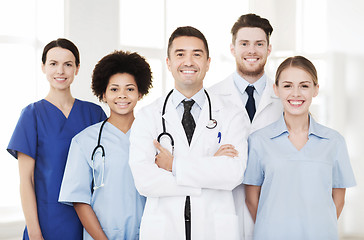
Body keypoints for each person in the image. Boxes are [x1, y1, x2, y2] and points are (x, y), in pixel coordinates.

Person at [129, 26, 248, 240]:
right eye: (180, 54)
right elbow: (144, 180)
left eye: (197, 54)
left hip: (215, 228)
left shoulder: (231, 114)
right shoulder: (148, 116)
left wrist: (174, 165)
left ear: (208, 63)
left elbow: (233, 173)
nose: (189, 62)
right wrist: (210, 168)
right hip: (164, 229)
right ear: (168, 62)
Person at [243, 56, 356, 240]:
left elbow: (339, 199)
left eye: (304, 86)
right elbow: (251, 199)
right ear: (276, 89)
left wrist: (317, 228)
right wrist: (273, 227)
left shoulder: (334, 141)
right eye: (287, 86)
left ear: (315, 90)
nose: (296, 93)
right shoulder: (258, 141)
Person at [7, 38, 106, 240]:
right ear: (43, 67)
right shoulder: (31, 115)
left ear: (77, 69)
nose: (60, 71)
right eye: (53, 64)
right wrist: (35, 232)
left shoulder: (94, 114)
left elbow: (107, 171)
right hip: (46, 222)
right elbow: (26, 180)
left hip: (89, 220)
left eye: (68, 64)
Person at [58, 50, 152, 239]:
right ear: (103, 93)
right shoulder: (84, 141)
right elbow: (79, 201)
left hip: (150, 233)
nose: (122, 96)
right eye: (114, 89)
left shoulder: (153, 136)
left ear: (140, 93)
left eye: (130, 89)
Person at [209, 13, 283, 240]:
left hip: (273, 202)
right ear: (232, 48)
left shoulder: (286, 98)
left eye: (259, 44)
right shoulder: (210, 98)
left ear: (269, 49)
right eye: (244, 44)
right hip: (223, 204)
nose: (252, 51)